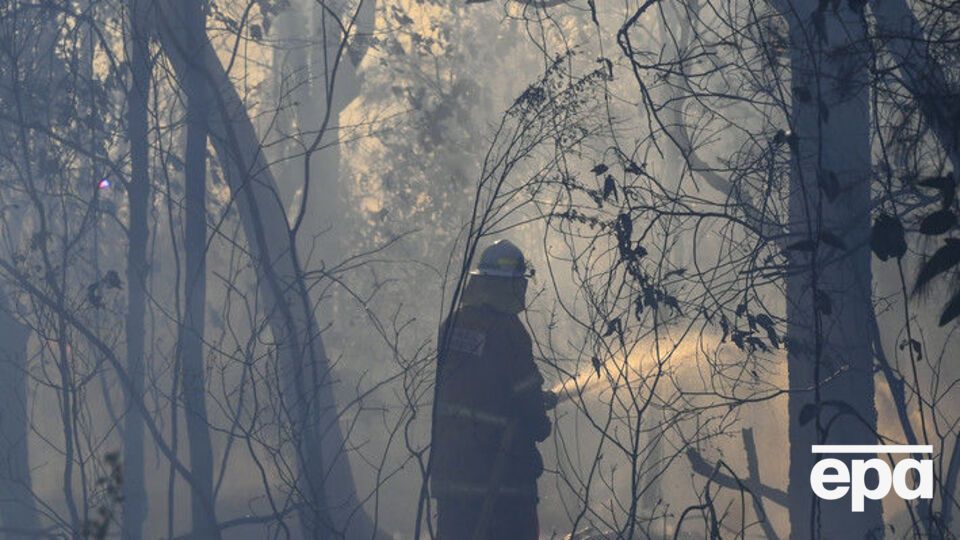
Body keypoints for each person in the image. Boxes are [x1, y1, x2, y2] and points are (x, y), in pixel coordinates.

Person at [431, 239, 553, 540]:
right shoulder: (508, 331)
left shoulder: (453, 325)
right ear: (510, 286)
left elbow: (473, 388)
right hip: (500, 481)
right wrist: (539, 413)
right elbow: (532, 413)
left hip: (451, 476)